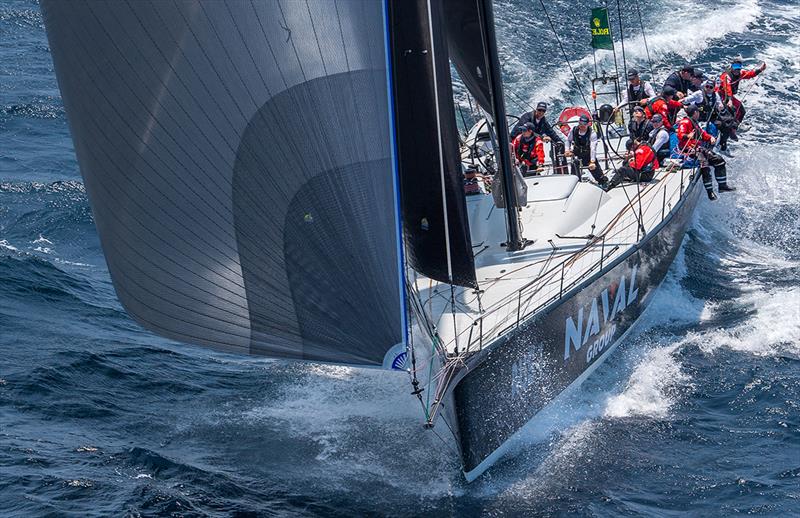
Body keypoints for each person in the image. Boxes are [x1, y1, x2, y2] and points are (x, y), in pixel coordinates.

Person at [676, 104, 733, 200]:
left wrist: (710, 137)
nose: (699, 113)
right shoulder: (685, 122)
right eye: (698, 112)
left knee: (719, 160)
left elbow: (701, 133)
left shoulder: (694, 122)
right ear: (695, 113)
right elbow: (680, 134)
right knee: (704, 165)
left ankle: (722, 186)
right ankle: (710, 193)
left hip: (698, 148)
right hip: (688, 150)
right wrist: (687, 136)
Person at [683, 78, 735, 152]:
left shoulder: (715, 95)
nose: (708, 88)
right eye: (707, 86)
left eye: (711, 87)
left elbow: (719, 104)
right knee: (699, 132)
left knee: (724, 126)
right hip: (699, 119)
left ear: (714, 88)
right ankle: (696, 148)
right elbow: (687, 100)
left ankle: (721, 143)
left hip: (711, 118)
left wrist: (720, 106)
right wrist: (682, 103)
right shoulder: (699, 93)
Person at [509, 102, 564, 168]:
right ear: (536, 109)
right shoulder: (526, 117)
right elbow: (525, 131)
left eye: (543, 111)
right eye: (539, 110)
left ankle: (534, 167)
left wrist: (560, 142)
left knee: (534, 156)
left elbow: (551, 132)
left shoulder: (543, 121)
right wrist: (542, 137)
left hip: (530, 145)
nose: (541, 112)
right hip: (518, 143)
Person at [718, 57, 767, 128]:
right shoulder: (726, 76)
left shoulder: (740, 73)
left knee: (742, 111)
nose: (736, 70)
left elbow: (750, 74)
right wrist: (730, 100)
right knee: (731, 110)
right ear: (731, 67)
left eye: (738, 68)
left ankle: (735, 127)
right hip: (721, 95)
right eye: (735, 68)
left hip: (730, 96)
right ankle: (729, 126)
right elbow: (727, 88)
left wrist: (760, 70)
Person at [565, 114, 607, 185]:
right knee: (574, 168)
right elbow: (568, 140)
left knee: (597, 172)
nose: (582, 126)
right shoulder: (574, 130)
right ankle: (575, 183)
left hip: (588, 154)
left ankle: (602, 182)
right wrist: (567, 150)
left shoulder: (592, 133)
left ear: (588, 124)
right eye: (580, 124)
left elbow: (593, 148)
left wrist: (592, 161)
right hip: (577, 153)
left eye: (584, 124)